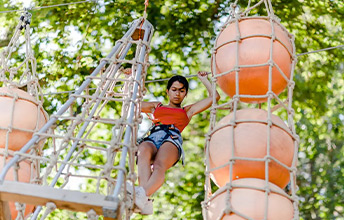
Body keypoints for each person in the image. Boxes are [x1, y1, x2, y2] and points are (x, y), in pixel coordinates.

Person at [124, 69, 220, 215]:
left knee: (159, 165)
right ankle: (144, 199)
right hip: (154, 136)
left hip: (172, 138)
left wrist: (204, 80)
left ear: (185, 93)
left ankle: (142, 196)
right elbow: (131, 103)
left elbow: (215, 97)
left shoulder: (187, 110)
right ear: (167, 91)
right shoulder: (156, 106)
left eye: (181, 91)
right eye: (174, 90)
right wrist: (130, 79)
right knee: (142, 150)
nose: (177, 93)